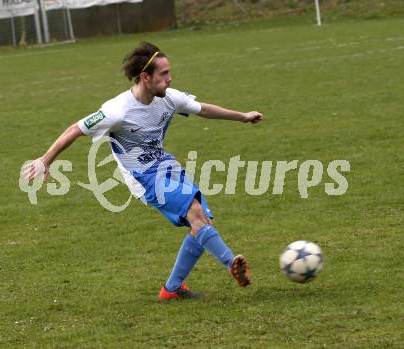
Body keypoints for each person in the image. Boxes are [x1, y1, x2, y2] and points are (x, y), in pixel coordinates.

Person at [23, 42, 263, 300]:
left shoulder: (169, 98)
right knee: (195, 214)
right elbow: (75, 129)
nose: (170, 79)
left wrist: (243, 116)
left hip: (165, 165)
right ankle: (231, 264)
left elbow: (202, 109)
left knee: (203, 224)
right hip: (142, 177)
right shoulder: (117, 111)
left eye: (169, 72)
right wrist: (46, 160)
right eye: (164, 74)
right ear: (145, 77)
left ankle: (171, 290)